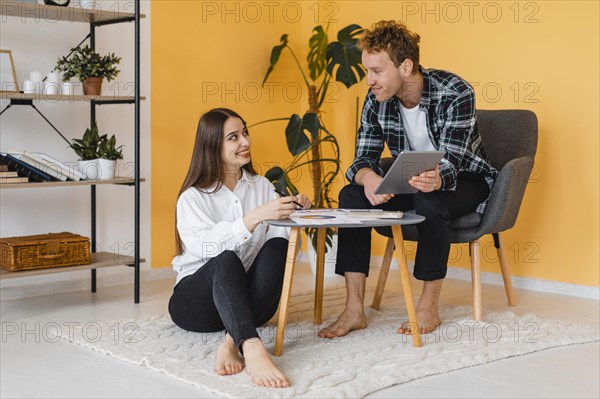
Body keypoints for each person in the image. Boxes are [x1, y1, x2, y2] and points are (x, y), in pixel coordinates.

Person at [319, 21, 498, 339]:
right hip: (411, 180)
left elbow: (452, 163)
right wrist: (369, 177)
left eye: (376, 71)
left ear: (405, 66)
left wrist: (436, 178)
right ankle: (354, 308)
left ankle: (428, 304)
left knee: (428, 200)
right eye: (366, 71)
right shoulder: (375, 99)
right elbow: (361, 160)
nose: (369, 80)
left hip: (464, 180)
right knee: (351, 196)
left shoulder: (456, 92)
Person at [168, 108, 311, 388]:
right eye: (233, 137)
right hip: (197, 304)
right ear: (212, 146)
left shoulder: (261, 186)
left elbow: (284, 248)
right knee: (225, 259)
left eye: (245, 132)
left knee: (278, 248)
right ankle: (253, 347)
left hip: (247, 301)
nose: (245, 142)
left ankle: (232, 341)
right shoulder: (193, 197)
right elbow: (204, 249)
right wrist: (253, 218)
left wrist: (295, 215)